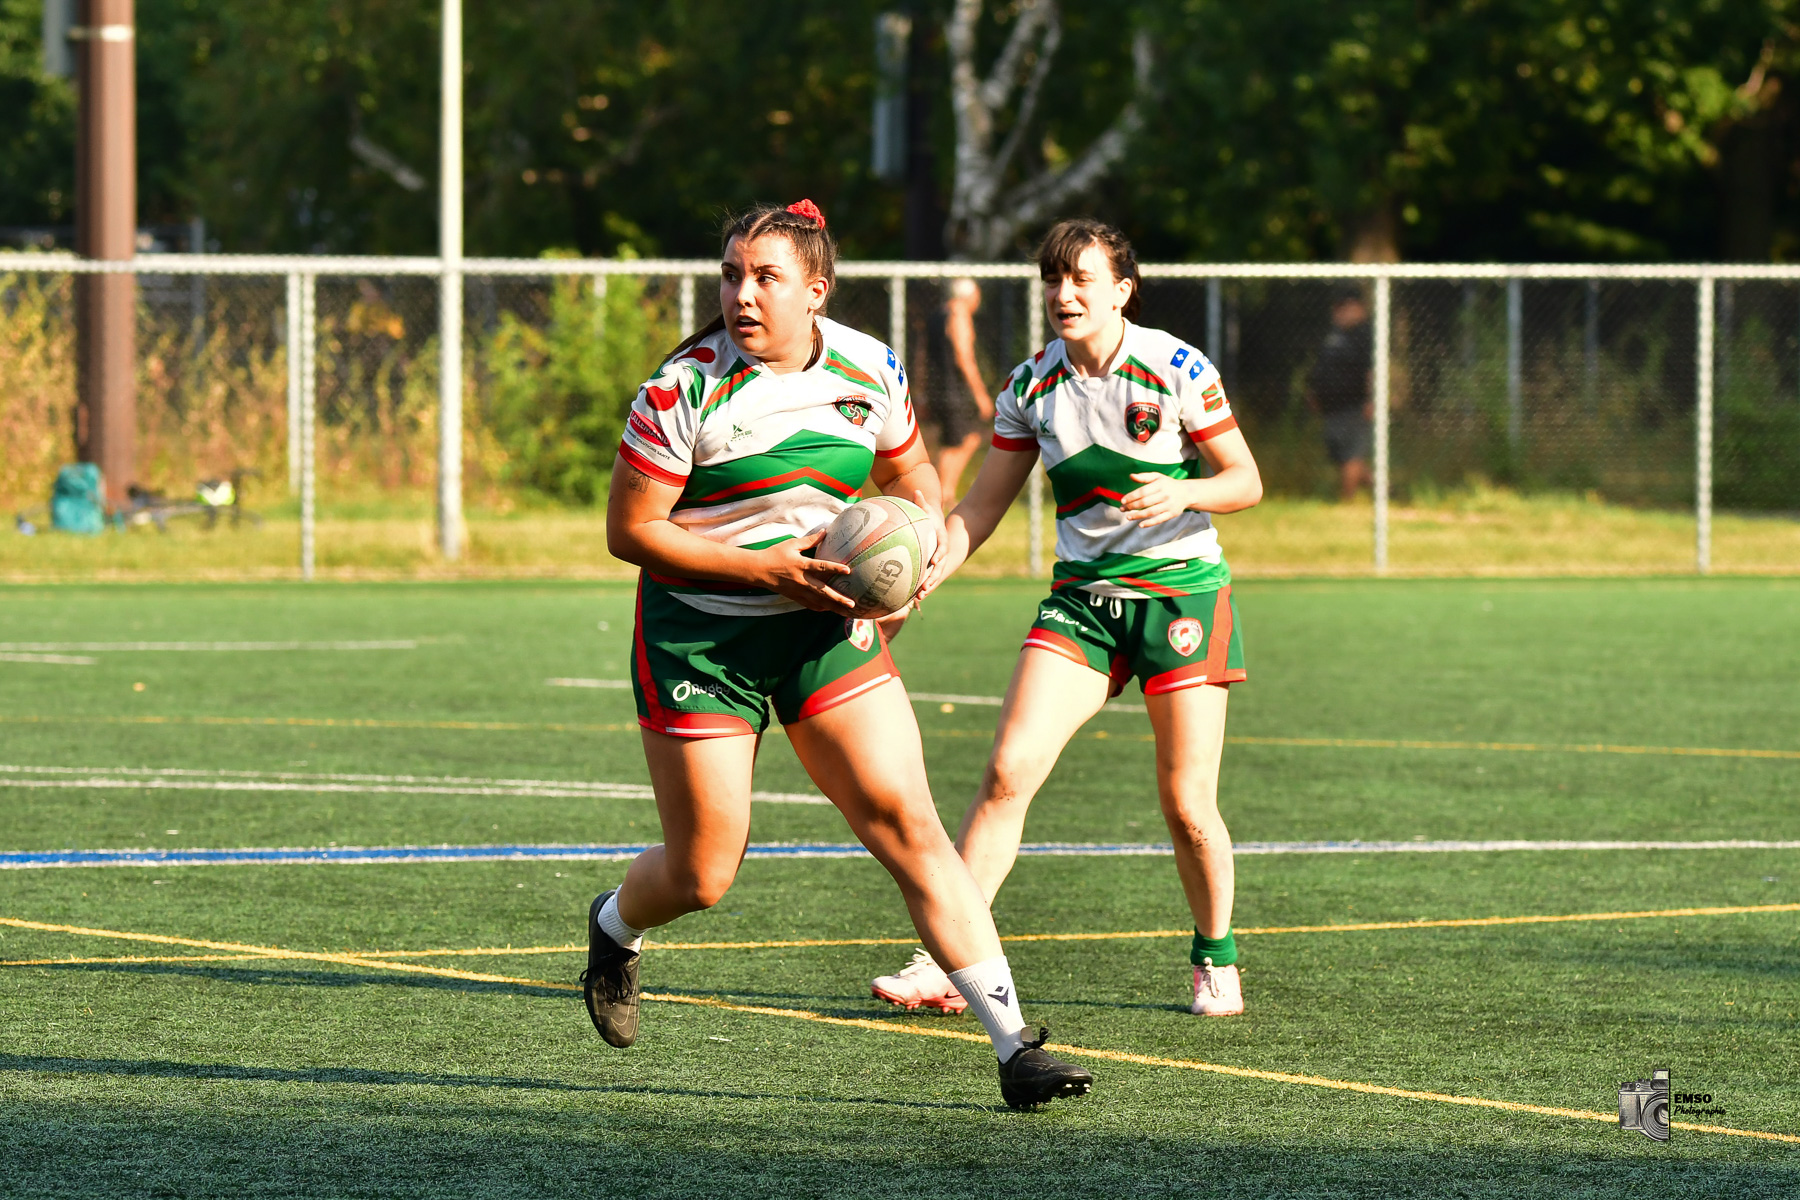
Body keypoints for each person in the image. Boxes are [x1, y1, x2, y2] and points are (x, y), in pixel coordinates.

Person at [586, 199, 1094, 1110]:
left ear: (816, 289)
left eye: (766, 277)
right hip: (703, 633)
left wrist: (924, 539)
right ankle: (617, 927)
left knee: (912, 828)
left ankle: (1018, 1046)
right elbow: (631, 532)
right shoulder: (680, 390)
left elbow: (911, 475)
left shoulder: (870, 365)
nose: (743, 293)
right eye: (732, 275)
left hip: (822, 622)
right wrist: (762, 570)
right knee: (704, 873)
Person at [870, 218, 1264, 1018]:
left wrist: (1183, 491)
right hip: (1083, 603)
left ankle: (1215, 957)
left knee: (1187, 803)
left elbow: (1245, 480)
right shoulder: (1030, 387)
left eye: (1082, 279)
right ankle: (947, 963)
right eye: (1053, 280)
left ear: (1123, 289)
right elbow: (979, 508)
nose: (1064, 294)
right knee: (1008, 772)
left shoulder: (1176, 367)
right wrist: (922, 575)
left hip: (1179, 597)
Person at [922, 277, 994, 498]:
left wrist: (922, 390)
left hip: (937, 389)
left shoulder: (935, 315)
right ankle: (943, 493)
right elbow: (964, 356)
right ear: (970, 296)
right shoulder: (958, 314)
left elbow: (922, 356)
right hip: (956, 391)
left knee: (959, 439)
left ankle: (943, 492)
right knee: (957, 443)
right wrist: (981, 394)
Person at [1307, 290, 1374, 502]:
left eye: (1347, 307)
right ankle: (1382, 488)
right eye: (1338, 307)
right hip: (1330, 407)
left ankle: (1347, 501)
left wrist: (1371, 400)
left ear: (1359, 308)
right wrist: (1314, 394)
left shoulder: (1365, 336)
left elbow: (1372, 372)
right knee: (1341, 455)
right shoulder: (1332, 335)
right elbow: (1318, 369)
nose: (1341, 312)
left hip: (1353, 405)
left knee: (1351, 455)